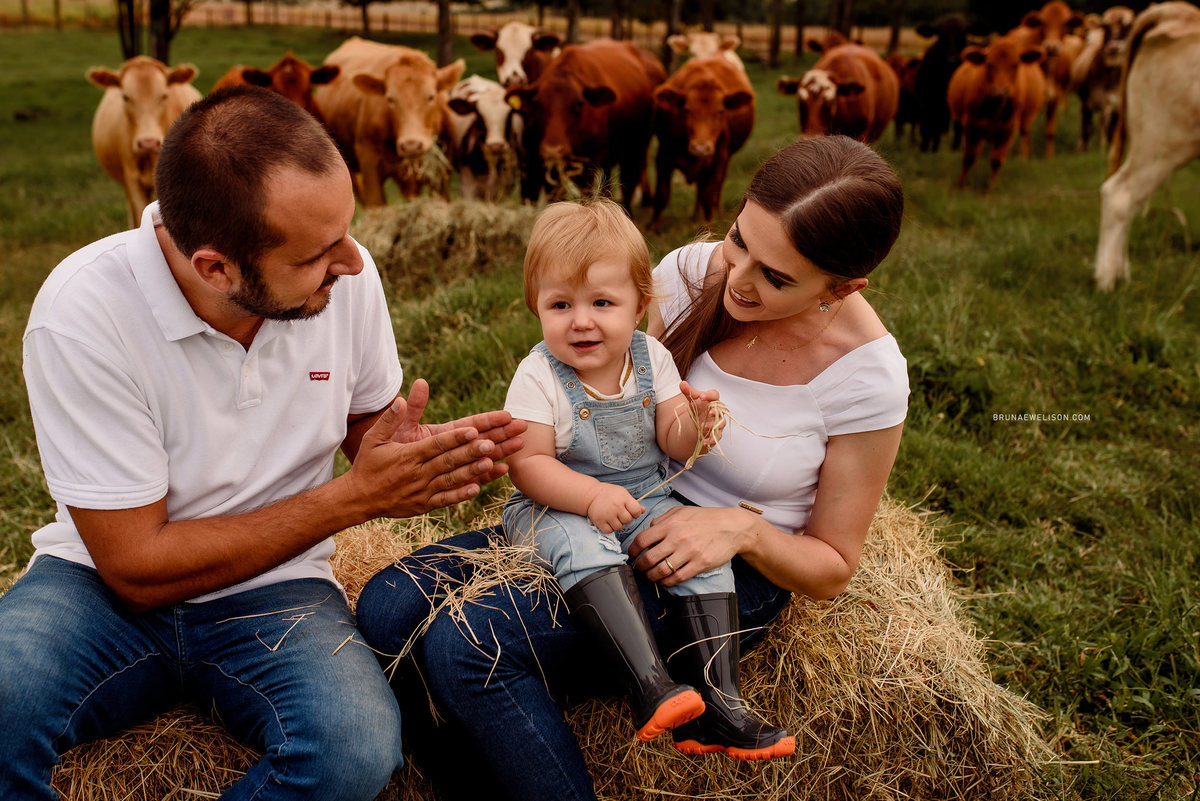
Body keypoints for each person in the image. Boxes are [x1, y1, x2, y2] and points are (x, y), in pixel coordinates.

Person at [0, 86, 524, 801]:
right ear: (216, 268)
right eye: (317, 254)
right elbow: (134, 566)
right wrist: (355, 498)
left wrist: (405, 454)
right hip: (94, 587)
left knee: (354, 749)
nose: (351, 262)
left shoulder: (346, 278)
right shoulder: (83, 311)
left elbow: (365, 423)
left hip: (278, 588)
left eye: (346, 231)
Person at [356, 134, 907, 800]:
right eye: (739, 241)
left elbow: (833, 566)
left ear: (841, 288)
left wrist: (742, 529)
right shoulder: (686, 274)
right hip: (611, 504)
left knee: (471, 643)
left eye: (776, 277)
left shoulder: (867, 377)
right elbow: (611, 393)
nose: (736, 278)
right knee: (387, 605)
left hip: (724, 570)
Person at [501, 199, 792, 754]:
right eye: (559, 304)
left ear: (639, 306)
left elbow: (670, 438)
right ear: (536, 306)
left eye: (601, 302)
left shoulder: (651, 356)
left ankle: (720, 701)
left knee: (699, 554)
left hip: (644, 496)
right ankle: (649, 685)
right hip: (553, 505)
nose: (580, 320)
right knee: (583, 543)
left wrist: (696, 428)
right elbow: (528, 464)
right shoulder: (538, 374)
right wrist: (589, 496)